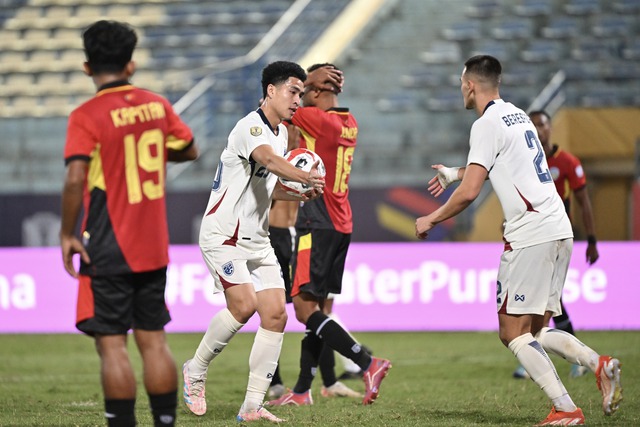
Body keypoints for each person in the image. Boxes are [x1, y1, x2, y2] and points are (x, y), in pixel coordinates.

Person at [416, 55, 622, 425]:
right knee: (537, 330)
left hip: (531, 234)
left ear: (470, 85)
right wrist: (454, 172)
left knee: (511, 331)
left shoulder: (485, 124)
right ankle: (599, 364)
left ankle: (565, 408)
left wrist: (430, 218)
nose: (461, 89)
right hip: (559, 227)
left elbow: (470, 193)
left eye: (461, 83)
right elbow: (504, 164)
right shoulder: (518, 115)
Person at [59, 20, 198, 427]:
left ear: (87, 67)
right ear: (131, 65)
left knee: (113, 345)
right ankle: (165, 422)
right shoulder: (157, 105)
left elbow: (73, 178)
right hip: (153, 244)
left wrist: (67, 233)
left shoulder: (86, 115)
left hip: (107, 244)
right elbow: (189, 150)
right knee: (154, 341)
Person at [181, 60, 326, 423]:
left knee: (276, 314)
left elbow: (270, 184)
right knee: (243, 306)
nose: (298, 100)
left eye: (301, 94)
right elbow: (268, 161)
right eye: (294, 92)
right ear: (271, 91)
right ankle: (195, 370)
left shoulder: (280, 133)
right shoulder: (250, 128)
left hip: (256, 240)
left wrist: (298, 194)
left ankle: (251, 406)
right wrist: (304, 175)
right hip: (223, 235)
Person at [267, 64, 392, 409]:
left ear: (318, 91)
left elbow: (276, 106)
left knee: (305, 310)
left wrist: (293, 87)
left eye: (303, 89)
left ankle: (368, 363)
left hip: (316, 220)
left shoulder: (314, 118)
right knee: (320, 311)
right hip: (342, 222)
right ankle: (304, 388)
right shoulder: (349, 122)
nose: (298, 95)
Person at [512, 109, 600, 380]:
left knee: (543, 300)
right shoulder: (524, 162)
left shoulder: (567, 162)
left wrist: (592, 239)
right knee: (548, 300)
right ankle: (573, 358)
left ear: (551, 128)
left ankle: (554, 358)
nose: (539, 130)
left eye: (543, 124)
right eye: (534, 125)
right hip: (532, 236)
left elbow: (584, 201)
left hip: (555, 236)